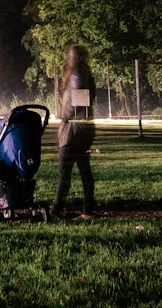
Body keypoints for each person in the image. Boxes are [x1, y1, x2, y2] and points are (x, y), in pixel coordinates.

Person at [49, 43, 96, 220]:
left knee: (65, 171)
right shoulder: (86, 74)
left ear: (75, 58)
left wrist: (65, 116)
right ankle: (87, 210)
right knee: (84, 170)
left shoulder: (77, 75)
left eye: (70, 56)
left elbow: (80, 100)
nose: (67, 58)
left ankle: (55, 210)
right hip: (84, 128)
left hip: (74, 129)